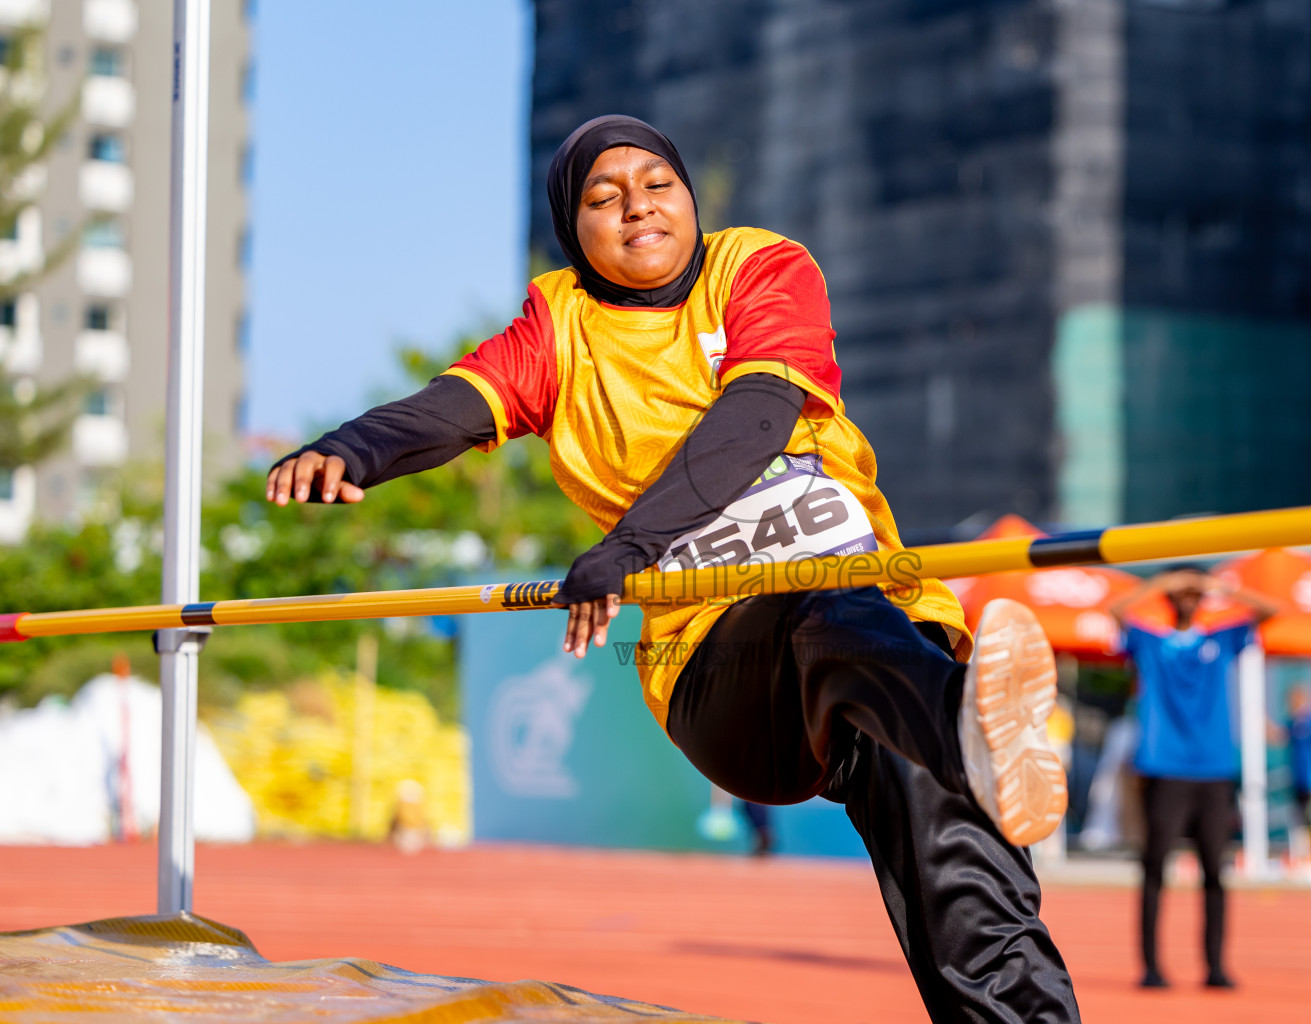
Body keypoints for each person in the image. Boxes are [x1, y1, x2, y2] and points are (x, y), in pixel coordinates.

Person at [266, 115, 1080, 1022]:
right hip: (728, 677)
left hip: (890, 635)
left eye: (656, 184)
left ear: (691, 197)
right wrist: (353, 448)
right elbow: (458, 402)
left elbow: (760, 411)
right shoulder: (560, 325)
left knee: (974, 885)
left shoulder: (759, 266)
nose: (636, 208)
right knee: (817, 597)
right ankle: (963, 729)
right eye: (602, 198)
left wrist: (630, 542)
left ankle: (967, 742)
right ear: (571, 231)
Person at [1108, 565, 1277, 990]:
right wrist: (1160, 583)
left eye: (1192, 591)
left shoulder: (1219, 640)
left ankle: (1215, 967)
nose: (1187, 594)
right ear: (1169, 597)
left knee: (1215, 873)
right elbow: (1116, 610)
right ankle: (1150, 967)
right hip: (1164, 768)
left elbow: (1271, 610)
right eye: (1180, 591)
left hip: (1214, 771)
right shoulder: (1151, 642)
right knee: (1154, 868)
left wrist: (1217, 586)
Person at [1271, 683, 1311, 862]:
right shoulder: (1292, 722)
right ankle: (1304, 856)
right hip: (1297, 779)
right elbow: (1279, 736)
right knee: (1298, 820)